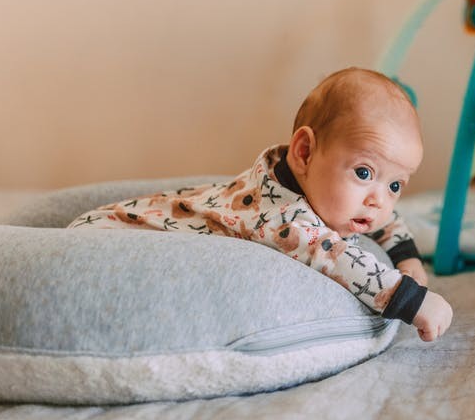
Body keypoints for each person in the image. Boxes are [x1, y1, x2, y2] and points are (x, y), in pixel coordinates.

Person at [70, 68, 453, 342]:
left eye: (396, 184)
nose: (378, 199)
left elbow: (378, 217)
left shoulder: (327, 190)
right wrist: (414, 300)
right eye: (365, 173)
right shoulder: (284, 216)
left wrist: (407, 256)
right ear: (304, 153)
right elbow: (335, 256)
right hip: (111, 241)